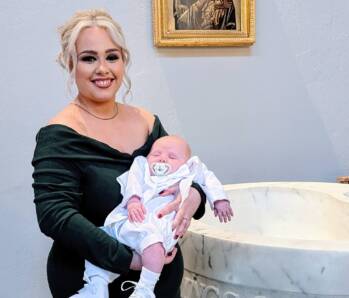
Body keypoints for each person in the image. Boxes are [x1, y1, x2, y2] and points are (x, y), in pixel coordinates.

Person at [32, 9, 207, 298]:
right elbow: (54, 215)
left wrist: (195, 195)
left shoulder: (148, 122)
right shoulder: (59, 135)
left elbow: (185, 171)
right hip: (91, 281)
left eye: (111, 56)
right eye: (89, 58)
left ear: (124, 61)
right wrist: (131, 260)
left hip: (161, 281)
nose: (103, 68)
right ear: (70, 63)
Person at [74, 135, 233, 298]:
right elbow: (133, 181)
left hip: (157, 227)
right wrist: (133, 200)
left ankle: (144, 289)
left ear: (186, 162)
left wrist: (219, 199)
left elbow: (208, 179)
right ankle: (96, 287)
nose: (162, 159)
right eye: (156, 154)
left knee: (155, 248)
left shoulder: (190, 169)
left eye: (171, 157)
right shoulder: (142, 165)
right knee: (99, 240)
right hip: (130, 221)